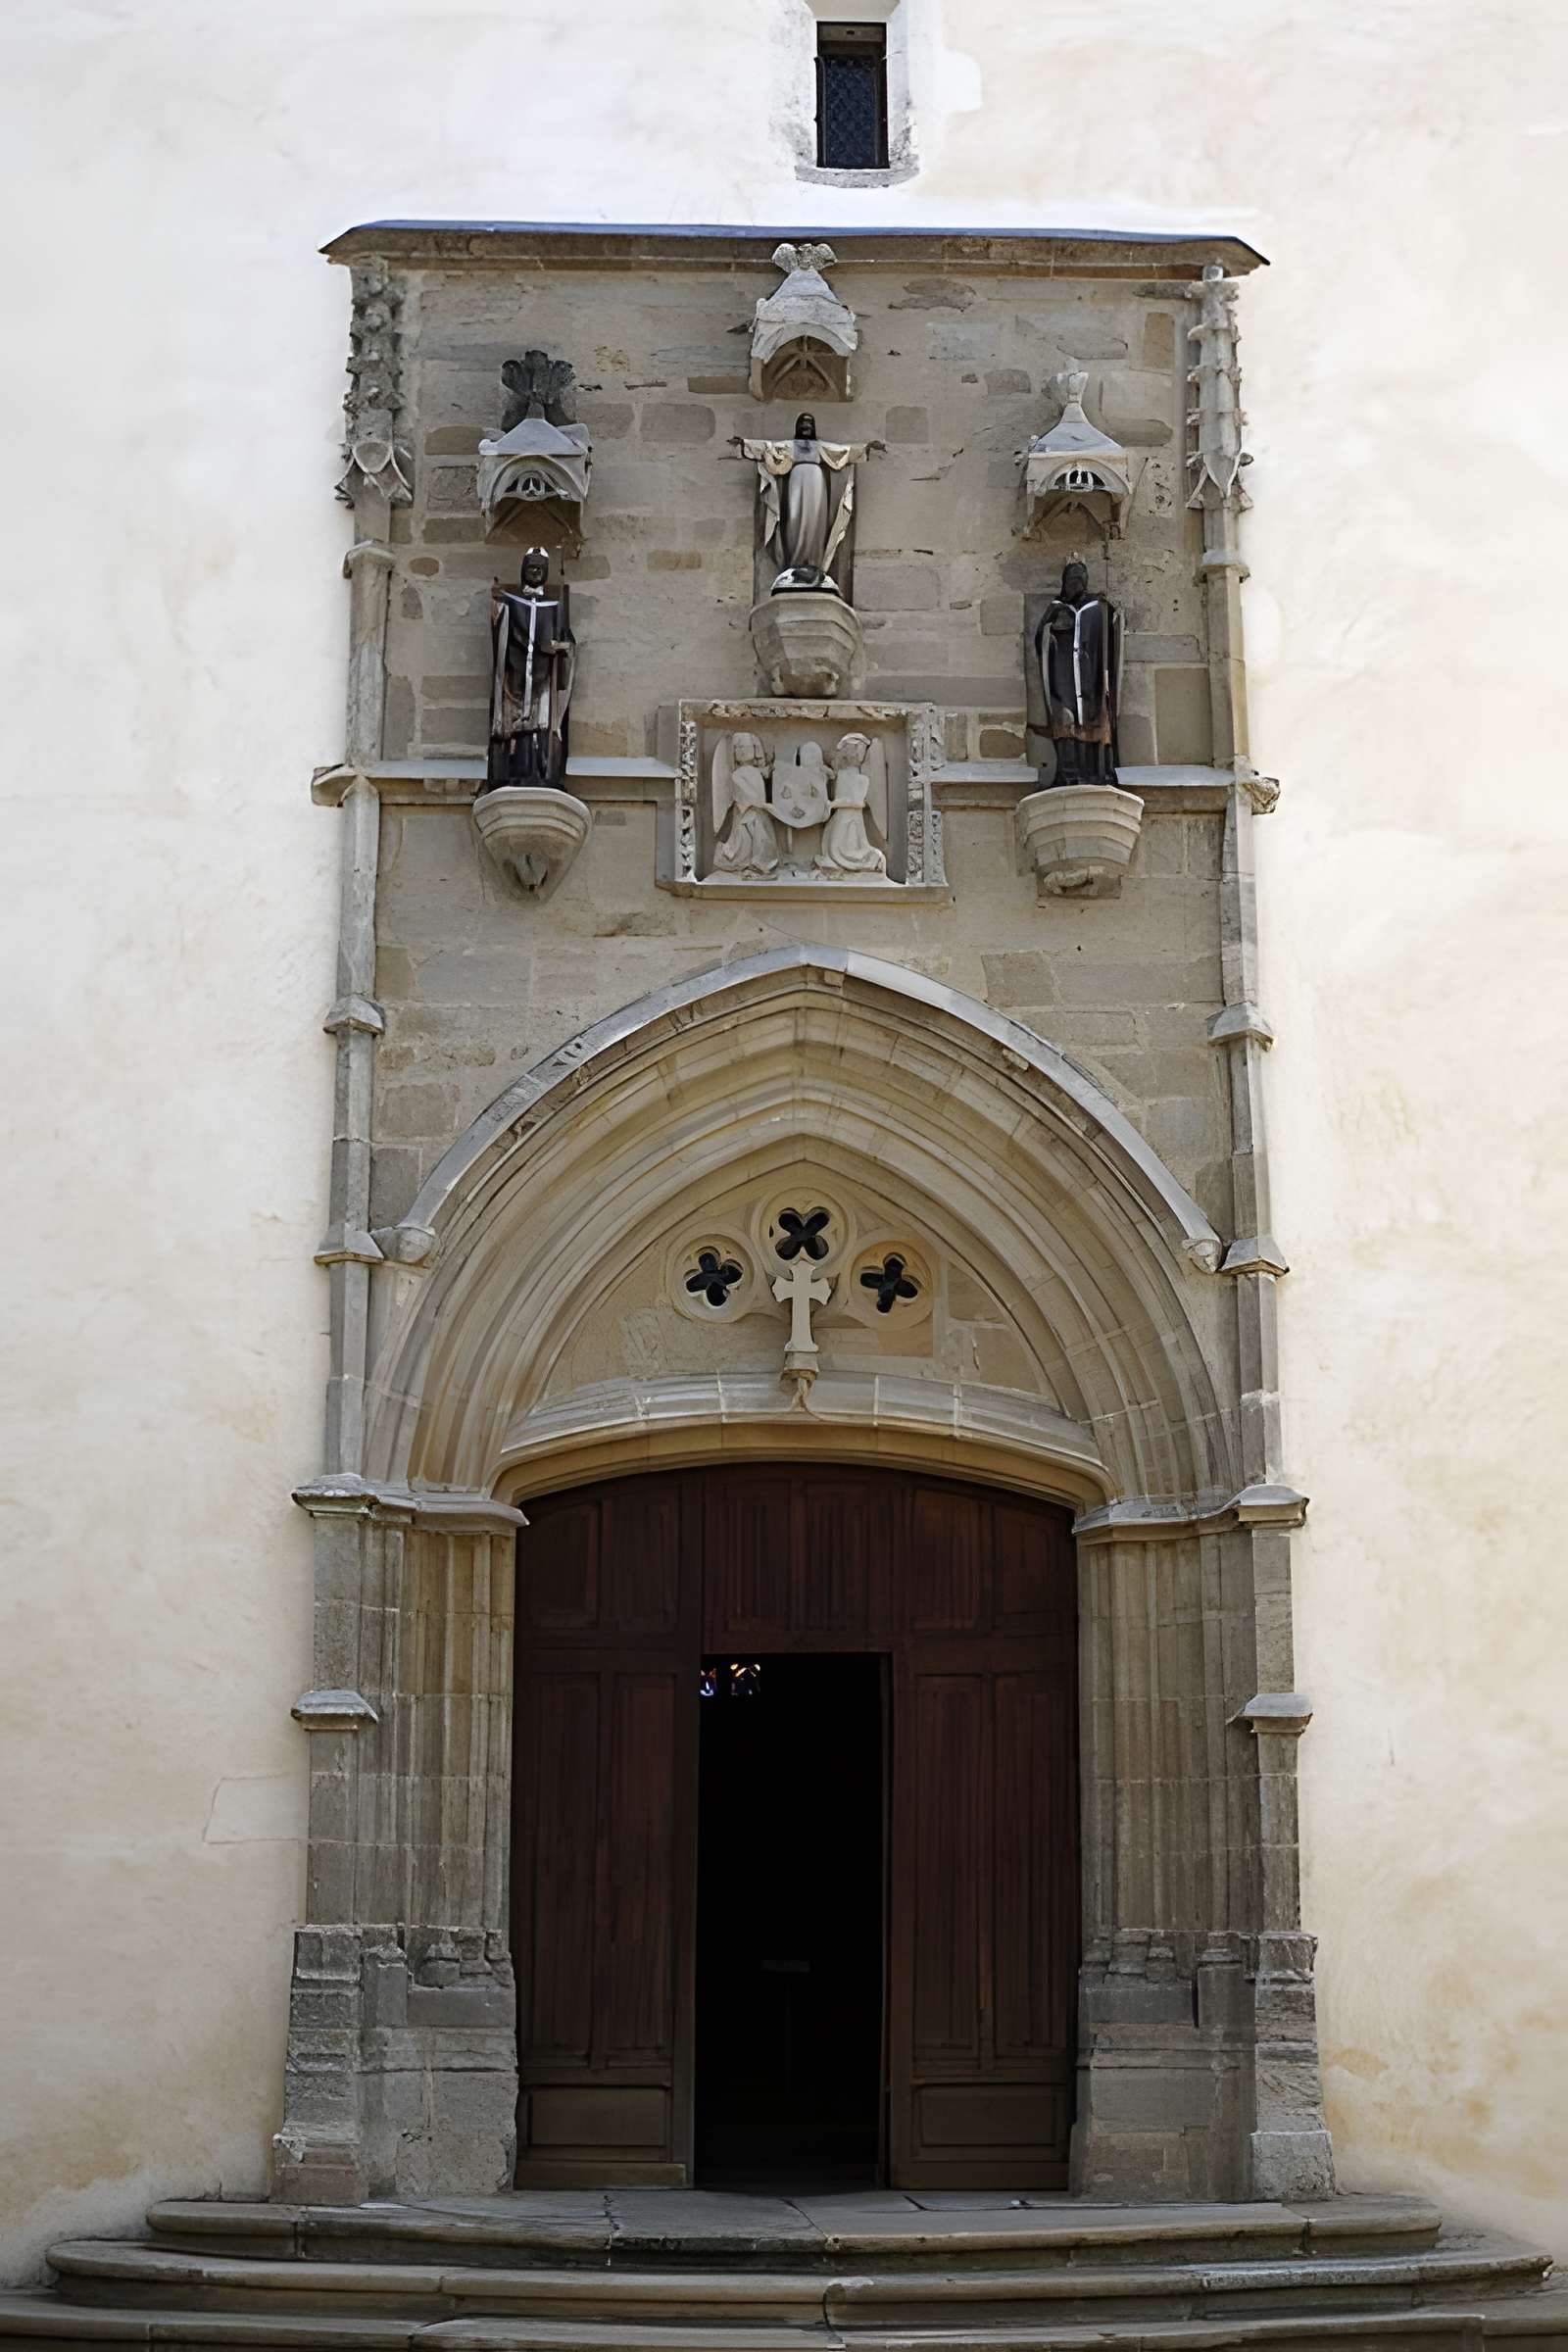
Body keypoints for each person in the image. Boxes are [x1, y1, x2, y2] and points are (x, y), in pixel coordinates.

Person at [484, 548, 576, 790]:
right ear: (523, 571)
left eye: (540, 569)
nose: (535, 572)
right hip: (516, 675)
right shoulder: (512, 603)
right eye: (531, 567)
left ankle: (542, 771)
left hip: (543, 675)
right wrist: (498, 612)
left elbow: (568, 643)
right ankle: (514, 769)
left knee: (540, 724)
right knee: (516, 724)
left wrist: (563, 648)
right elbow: (500, 628)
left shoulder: (554, 607)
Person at [1034, 558, 1122, 786]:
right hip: (1063, 678)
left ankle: (1097, 770)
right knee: (1065, 720)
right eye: (1071, 580)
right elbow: (1040, 641)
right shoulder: (1056, 608)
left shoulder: (1097, 608)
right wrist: (1051, 632)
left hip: (1091, 675)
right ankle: (1067, 772)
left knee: (1095, 721)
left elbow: (1111, 639)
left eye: (1078, 579)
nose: (1075, 584)